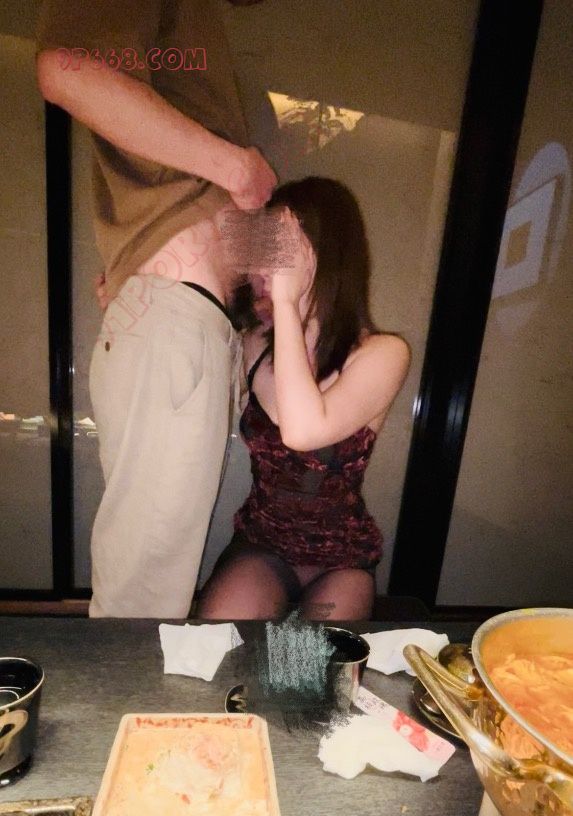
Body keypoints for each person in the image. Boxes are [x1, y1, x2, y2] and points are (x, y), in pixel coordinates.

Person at [35, 0, 277, 618]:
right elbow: (65, 70)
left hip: (190, 320)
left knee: (148, 587)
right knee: (141, 600)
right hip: (178, 318)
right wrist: (235, 167)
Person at [198, 177, 411, 622]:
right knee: (222, 646)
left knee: (305, 664)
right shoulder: (255, 342)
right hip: (263, 545)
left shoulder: (383, 354)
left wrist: (287, 302)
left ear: (323, 251)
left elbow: (303, 430)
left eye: (277, 247)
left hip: (341, 559)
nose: (260, 266)